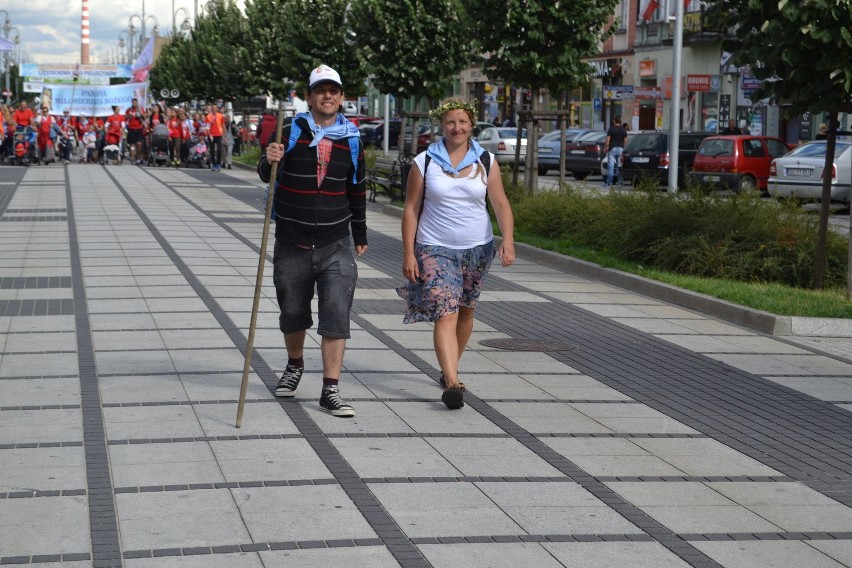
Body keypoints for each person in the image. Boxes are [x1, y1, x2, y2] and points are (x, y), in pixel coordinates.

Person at [257, 64, 367, 417]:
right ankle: (294, 365)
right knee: (292, 312)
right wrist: (268, 159)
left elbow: (357, 188)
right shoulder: (291, 130)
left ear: (341, 96)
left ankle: (330, 389)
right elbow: (267, 172)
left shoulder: (351, 138)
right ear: (310, 96)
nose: (328, 95)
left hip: (336, 241)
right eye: (321, 90)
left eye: (334, 90)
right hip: (292, 238)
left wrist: (360, 234)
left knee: (336, 315)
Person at [397, 97, 515, 410]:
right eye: (451, 122)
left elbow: (500, 203)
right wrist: (408, 252)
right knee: (445, 311)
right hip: (435, 246)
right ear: (441, 126)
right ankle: (452, 381)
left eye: (462, 122)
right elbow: (410, 209)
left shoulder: (485, 160)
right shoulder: (425, 161)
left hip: (478, 248)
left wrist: (509, 239)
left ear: (471, 125)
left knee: (466, 310)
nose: (457, 127)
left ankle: (450, 366)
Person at [604, 116, 628, 187]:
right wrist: (624, 149)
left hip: (612, 149)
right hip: (621, 149)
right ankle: (620, 182)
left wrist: (605, 148)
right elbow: (626, 140)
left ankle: (609, 183)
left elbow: (608, 140)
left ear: (615, 121)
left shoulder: (611, 129)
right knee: (619, 166)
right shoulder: (623, 130)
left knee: (610, 166)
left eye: (613, 120)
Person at [125, 98, 146, 164]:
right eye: (133, 102)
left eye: (135, 102)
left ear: (137, 103)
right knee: (132, 144)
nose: (134, 103)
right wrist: (129, 115)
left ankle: (138, 156)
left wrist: (141, 114)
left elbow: (145, 117)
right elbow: (125, 117)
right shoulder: (129, 109)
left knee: (139, 143)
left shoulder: (140, 108)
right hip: (131, 128)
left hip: (139, 128)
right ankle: (133, 158)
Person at [205, 104, 225, 171]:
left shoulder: (220, 116)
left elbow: (222, 125)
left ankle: (218, 163)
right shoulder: (208, 116)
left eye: (215, 108)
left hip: (219, 135)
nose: (213, 109)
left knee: (219, 149)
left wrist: (224, 135)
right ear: (211, 109)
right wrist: (209, 134)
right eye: (212, 108)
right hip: (211, 135)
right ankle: (214, 164)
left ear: (217, 109)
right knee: (212, 150)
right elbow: (207, 127)